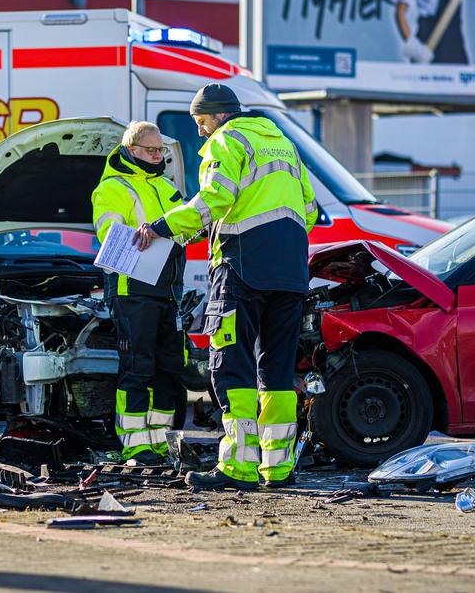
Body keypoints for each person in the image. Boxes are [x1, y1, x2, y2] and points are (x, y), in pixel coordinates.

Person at [133, 84, 318, 490]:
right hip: (291, 272)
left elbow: (215, 198)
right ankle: (277, 468)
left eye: (201, 122)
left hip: (243, 268)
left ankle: (238, 466)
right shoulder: (283, 145)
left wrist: (163, 226)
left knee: (231, 364)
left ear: (218, 115)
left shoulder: (226, 140)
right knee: (277, 371)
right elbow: (309, 209)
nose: (200, 131)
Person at [92, 121, 187, 465]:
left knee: (168, 370)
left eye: (160, 150)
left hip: (168, 290)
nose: (158, 155)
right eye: (151, 150)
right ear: (131, 150)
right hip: (132, 290)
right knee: (138, 368)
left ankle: (160, 443)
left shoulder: (166, 185)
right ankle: (135, 445)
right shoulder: (113, 187)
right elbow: (108, 232)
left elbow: (186, 228)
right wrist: (143, 234)